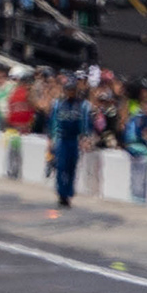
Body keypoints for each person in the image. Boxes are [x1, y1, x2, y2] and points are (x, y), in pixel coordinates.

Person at [46, 80, 91, 216]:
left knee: (72, 168)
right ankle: (62, 194)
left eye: (72, 90)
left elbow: (85, 124)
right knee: (61, 167)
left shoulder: (82, 106)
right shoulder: (58, 104)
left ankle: (69, 193)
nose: (70, 92)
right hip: (61, 139)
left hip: (74, 140)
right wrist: (51, 140)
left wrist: (85, 138)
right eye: (68, 90)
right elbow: (52, 122)